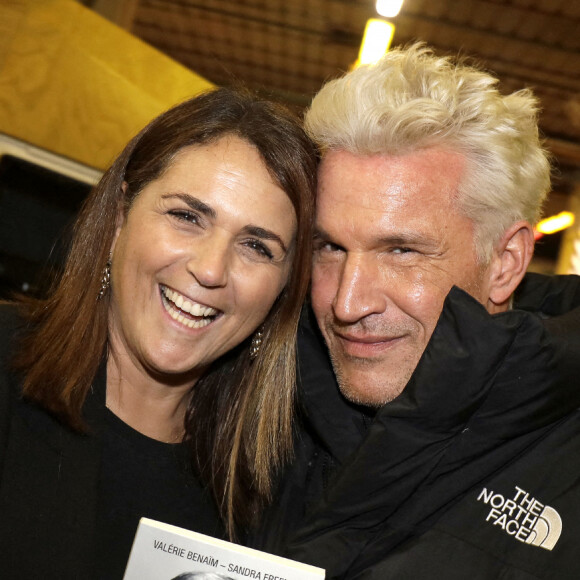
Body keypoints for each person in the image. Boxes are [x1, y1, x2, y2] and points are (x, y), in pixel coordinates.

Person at [250, 44, 580, 579]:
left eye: (401, 251)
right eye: (330, 247)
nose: (347, 302)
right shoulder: (258, 402)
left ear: (505, 261)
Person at [0, 87, 317, 579]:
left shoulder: (273, 485)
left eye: (257, 246)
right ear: (120, 218)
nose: (211, 270)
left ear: (282, 289)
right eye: (187, 217)